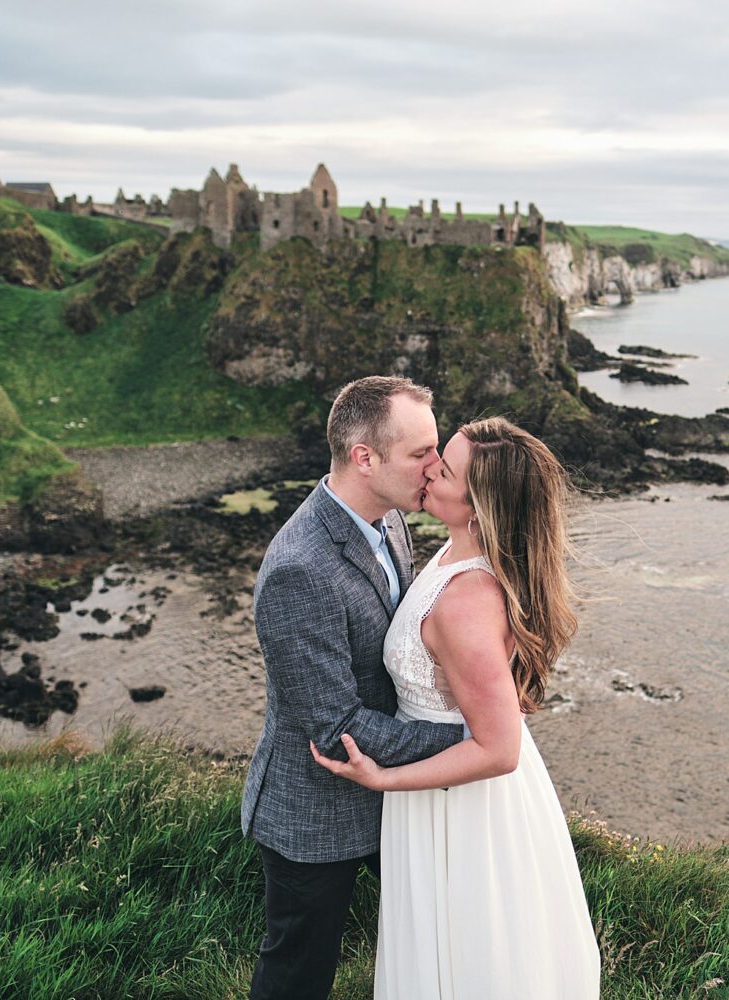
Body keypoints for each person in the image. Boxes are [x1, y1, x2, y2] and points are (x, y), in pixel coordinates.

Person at [312, 416, 601, 999]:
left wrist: (386, 777)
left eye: (443, 468)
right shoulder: (455, 550)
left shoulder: (466, 604)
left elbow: (498, 749)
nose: (428, 469)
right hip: (443, 794)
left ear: (476, 506)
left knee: (472, 954)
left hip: (462, 808)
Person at [242, 375, 467, 1000]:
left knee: (425, 937)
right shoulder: (299, 570)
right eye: (421, 452)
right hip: (314, 806)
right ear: (365, 458)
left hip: (389, 792)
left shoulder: (390, 518)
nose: (436, 464)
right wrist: (465, 742)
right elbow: (337, 726)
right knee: (298, 970)